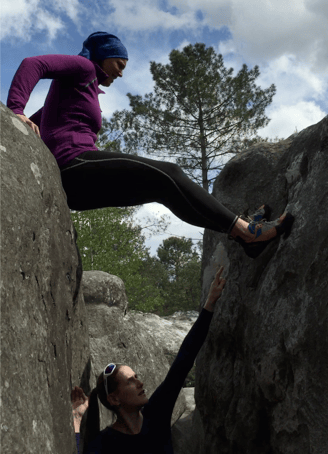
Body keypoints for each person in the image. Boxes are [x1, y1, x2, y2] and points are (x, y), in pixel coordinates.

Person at [6, 32, 294, 259]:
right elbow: (34, 63)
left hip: (77, 183)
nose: (121, 73)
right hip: (74, 165)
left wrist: (29, 127)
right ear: (104, 57)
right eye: (119, 65)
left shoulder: (82, 89)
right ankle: (248, 231)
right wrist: (15, 112)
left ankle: (242, 235)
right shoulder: (83, 67)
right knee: (170, 172)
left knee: (164, 190)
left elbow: (46, 118)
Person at [71, 266, 227, 454]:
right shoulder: (104, 444)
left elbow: (183, 361)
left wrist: (210, 303)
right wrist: (76, 423)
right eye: (130, 381)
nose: (139, 383)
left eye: (136, 377)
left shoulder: (156, 415)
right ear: (114, 398)